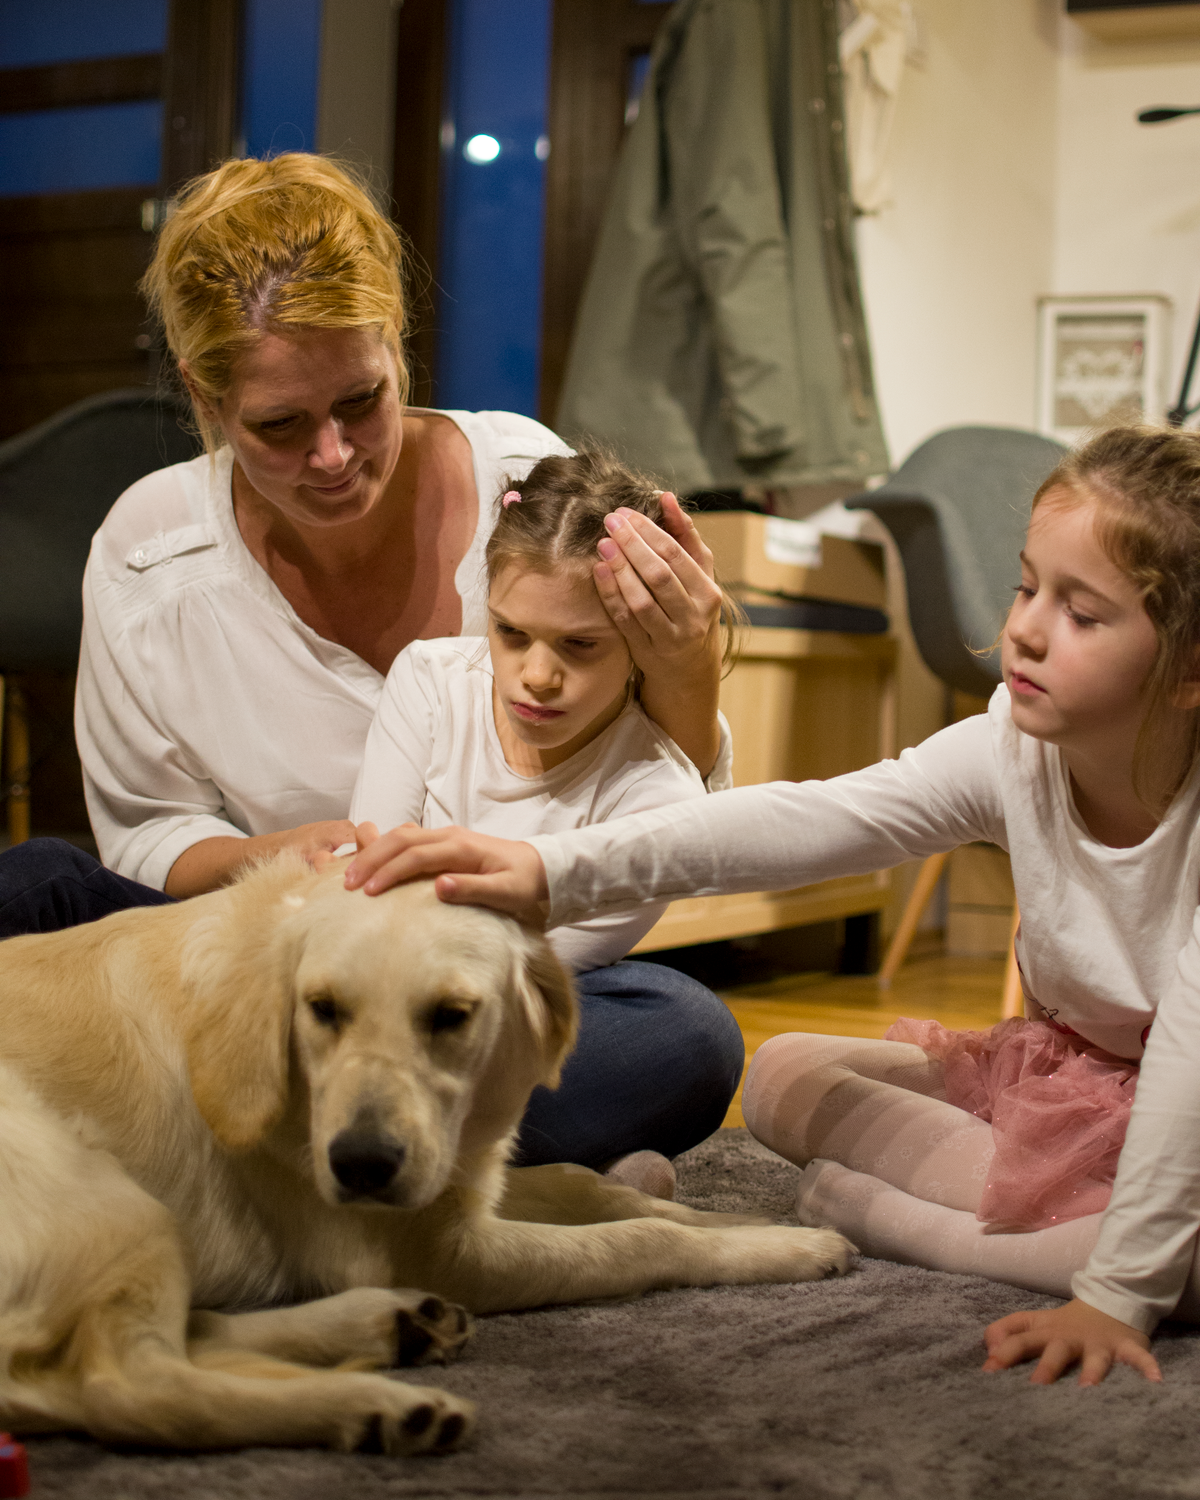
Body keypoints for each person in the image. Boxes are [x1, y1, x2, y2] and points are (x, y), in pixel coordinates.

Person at [342, 424, 1200, 1386]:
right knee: (784, 1076)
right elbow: (815, 820)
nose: (1027, 630)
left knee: (1181, 1252)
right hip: (1086, 1080)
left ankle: (927, 1225)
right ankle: (1068, 1208)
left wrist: (1115, 1294)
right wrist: (547, 870)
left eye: (1081, 614)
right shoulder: (1013, 749)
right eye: (1027, 587)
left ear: (1191, 668)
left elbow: (1187, 1055)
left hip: (1191, 1102)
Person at [0, 152, 743, 1175]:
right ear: (205, 399)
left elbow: (659, 794)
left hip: (460, 991)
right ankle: (302, 1146)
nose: (334, 456)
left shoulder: (527, 486)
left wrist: (689, 661)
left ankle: (213, 1139)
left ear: (396, 341)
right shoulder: (148, 554)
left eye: (361, 401)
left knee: (681, 1033)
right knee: (36, 887)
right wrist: (278, 857)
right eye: (278, 426)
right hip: (255, 968)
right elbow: (149, 833)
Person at [350, 450, 743, 1185]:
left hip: (500, 1010)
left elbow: (510, 972)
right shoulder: (431, 678)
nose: (535, 675)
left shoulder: (659, 790)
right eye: (510, 634)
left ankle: (395, 1148)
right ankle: (551, 1173)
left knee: (689, 1031)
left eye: (580, 646)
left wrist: (411, 887)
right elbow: (365, 894)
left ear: (641, 644)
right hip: (380, 995)